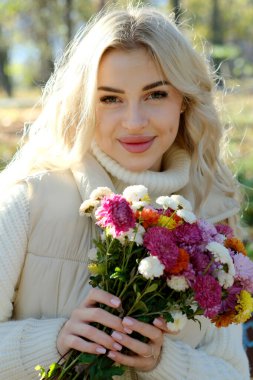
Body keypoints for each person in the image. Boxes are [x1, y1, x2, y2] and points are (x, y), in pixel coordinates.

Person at [0, 4, 250, 380]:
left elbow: (232, 373)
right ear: (84, 103)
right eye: (110, 99)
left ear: (183, 99)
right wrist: (57, 338)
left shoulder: (212, 214)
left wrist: (161, 362)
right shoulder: (29, 198)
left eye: (156, 95)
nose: (134, 122)